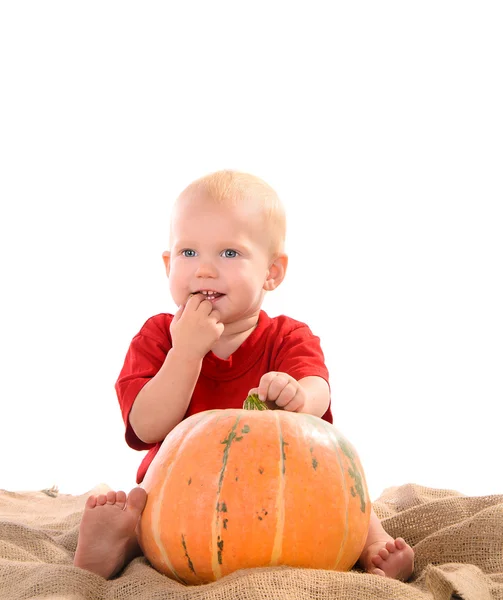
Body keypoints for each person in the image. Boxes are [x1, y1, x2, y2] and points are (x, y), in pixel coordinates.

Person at [74, 170, 415, 581]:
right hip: (186, 498)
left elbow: (317, 390)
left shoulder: (288, 336)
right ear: (167, 264)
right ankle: (115, 541)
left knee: (345, 493)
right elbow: (146, 427)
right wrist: (186, 353)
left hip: (283, 491)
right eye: (188, 253)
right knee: (144, 508)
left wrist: (299, 400)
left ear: (272, 272)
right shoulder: (157, 338)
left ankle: (374, 547)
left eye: (229, 254)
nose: (203, 270)